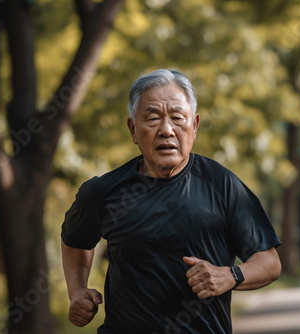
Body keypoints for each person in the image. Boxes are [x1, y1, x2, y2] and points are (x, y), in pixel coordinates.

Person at [61, 69, 281, 334]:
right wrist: (77, 290)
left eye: (177, 118)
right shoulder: (102, 191)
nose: (166, 130)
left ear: (195, 126)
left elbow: (269, 263)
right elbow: (75, 240)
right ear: (132, 128)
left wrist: (230, 275)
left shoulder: (223, 186)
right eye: (152, 118)